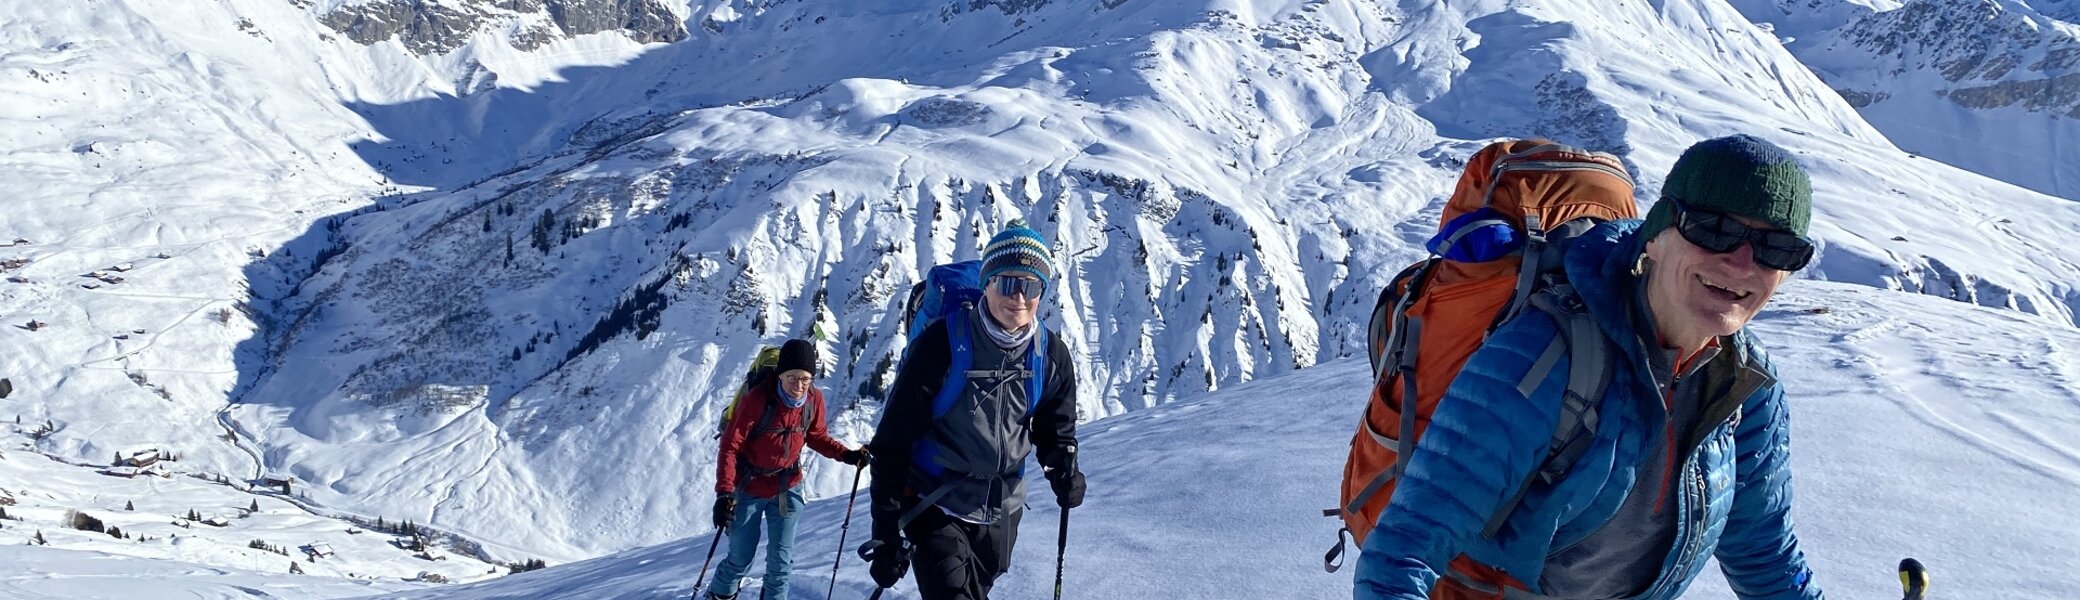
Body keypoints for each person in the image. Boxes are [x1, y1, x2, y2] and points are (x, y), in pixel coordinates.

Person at [1355, 135, 1826, 600]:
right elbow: (1405, 550)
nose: (1742, 263)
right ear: (1657, 237)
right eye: (1714, 229)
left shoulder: (1746, 384)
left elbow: (1764, 557)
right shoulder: (1545, 355)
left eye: (1776, 249)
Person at [862, 220, 1085, 600]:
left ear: (1042, 292)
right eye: (1007, 283)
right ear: (988, 283)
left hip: (1001, 507)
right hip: (932, 500)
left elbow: (1054, 428)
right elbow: (892, 443)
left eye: (1030, 286)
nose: (1018, 297)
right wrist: (885, 533)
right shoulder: (941, 345)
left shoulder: (1050, 356)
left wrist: (1063, 466)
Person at [707, 338, 870, 600]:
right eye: (793, 377)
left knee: (781, 564)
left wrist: (847, 455)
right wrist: (724, 493)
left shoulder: (813, 399)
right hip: (749, 487)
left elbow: (816, 436)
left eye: (805, 378)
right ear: (780, 374)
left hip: (788, 486)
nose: (799, 385)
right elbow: (730, 447)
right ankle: (718, 595)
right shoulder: (757, 400)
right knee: (740, 559)